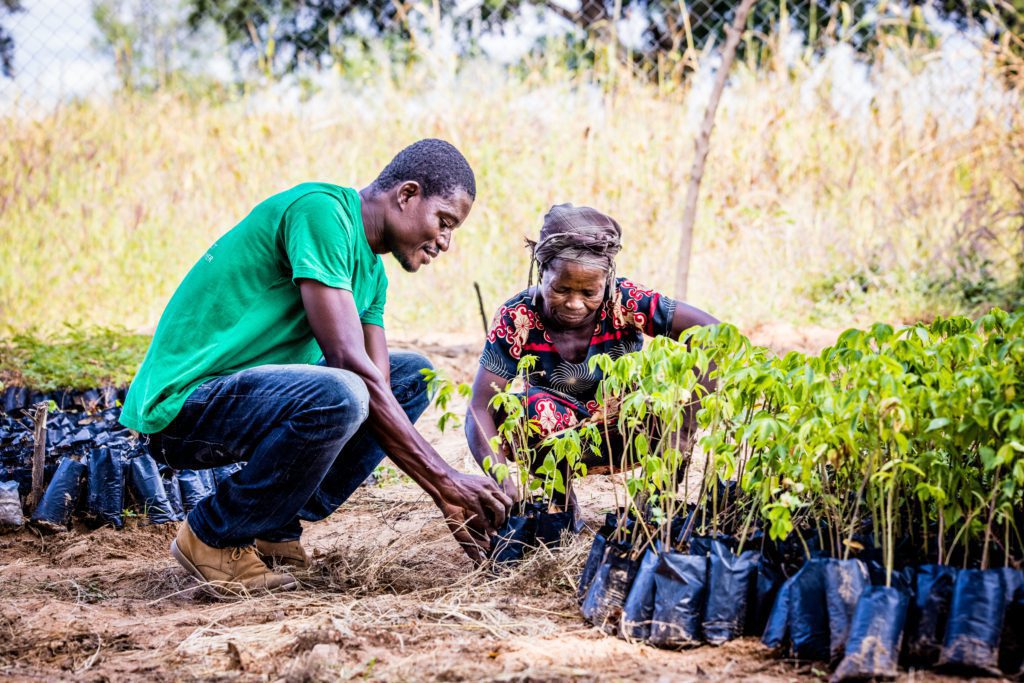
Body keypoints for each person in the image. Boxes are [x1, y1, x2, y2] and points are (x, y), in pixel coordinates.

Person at [120, 139, 511, 598]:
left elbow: (381, 387)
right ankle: (214, 533)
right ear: (407, 195)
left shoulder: (373, 276)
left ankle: (274, 527)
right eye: (444, 221)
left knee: (410, 378)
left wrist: (444, 491)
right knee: (344, 392)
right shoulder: (320, 212)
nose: (445, 241)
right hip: (188, 405)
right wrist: (445, 481)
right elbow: (349, 363)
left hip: (253, 399)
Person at [465, 203, 719, 505]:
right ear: (541, 271)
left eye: (589, 293)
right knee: (515, 411)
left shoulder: (625, 301)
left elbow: (712, 336)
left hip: (628, 429)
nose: (574, 303)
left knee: (664, 403)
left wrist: (682, 430)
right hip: (555, 434)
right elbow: (479, 409)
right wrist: (503, 483)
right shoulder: (517, 316)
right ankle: (558, 499)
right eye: (561, 289)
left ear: (608, 281)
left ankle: (653, 504)